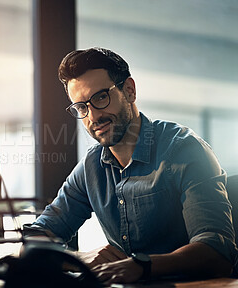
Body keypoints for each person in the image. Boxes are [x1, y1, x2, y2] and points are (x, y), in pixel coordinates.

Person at [29, 47, 237, 285]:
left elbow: (218, 253)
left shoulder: (183, 150)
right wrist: (79, 259)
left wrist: (142, 265)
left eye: (100, 98)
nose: (93, 117)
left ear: (129, 90)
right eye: (82, 107)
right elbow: (35, 241)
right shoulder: (90, 168)